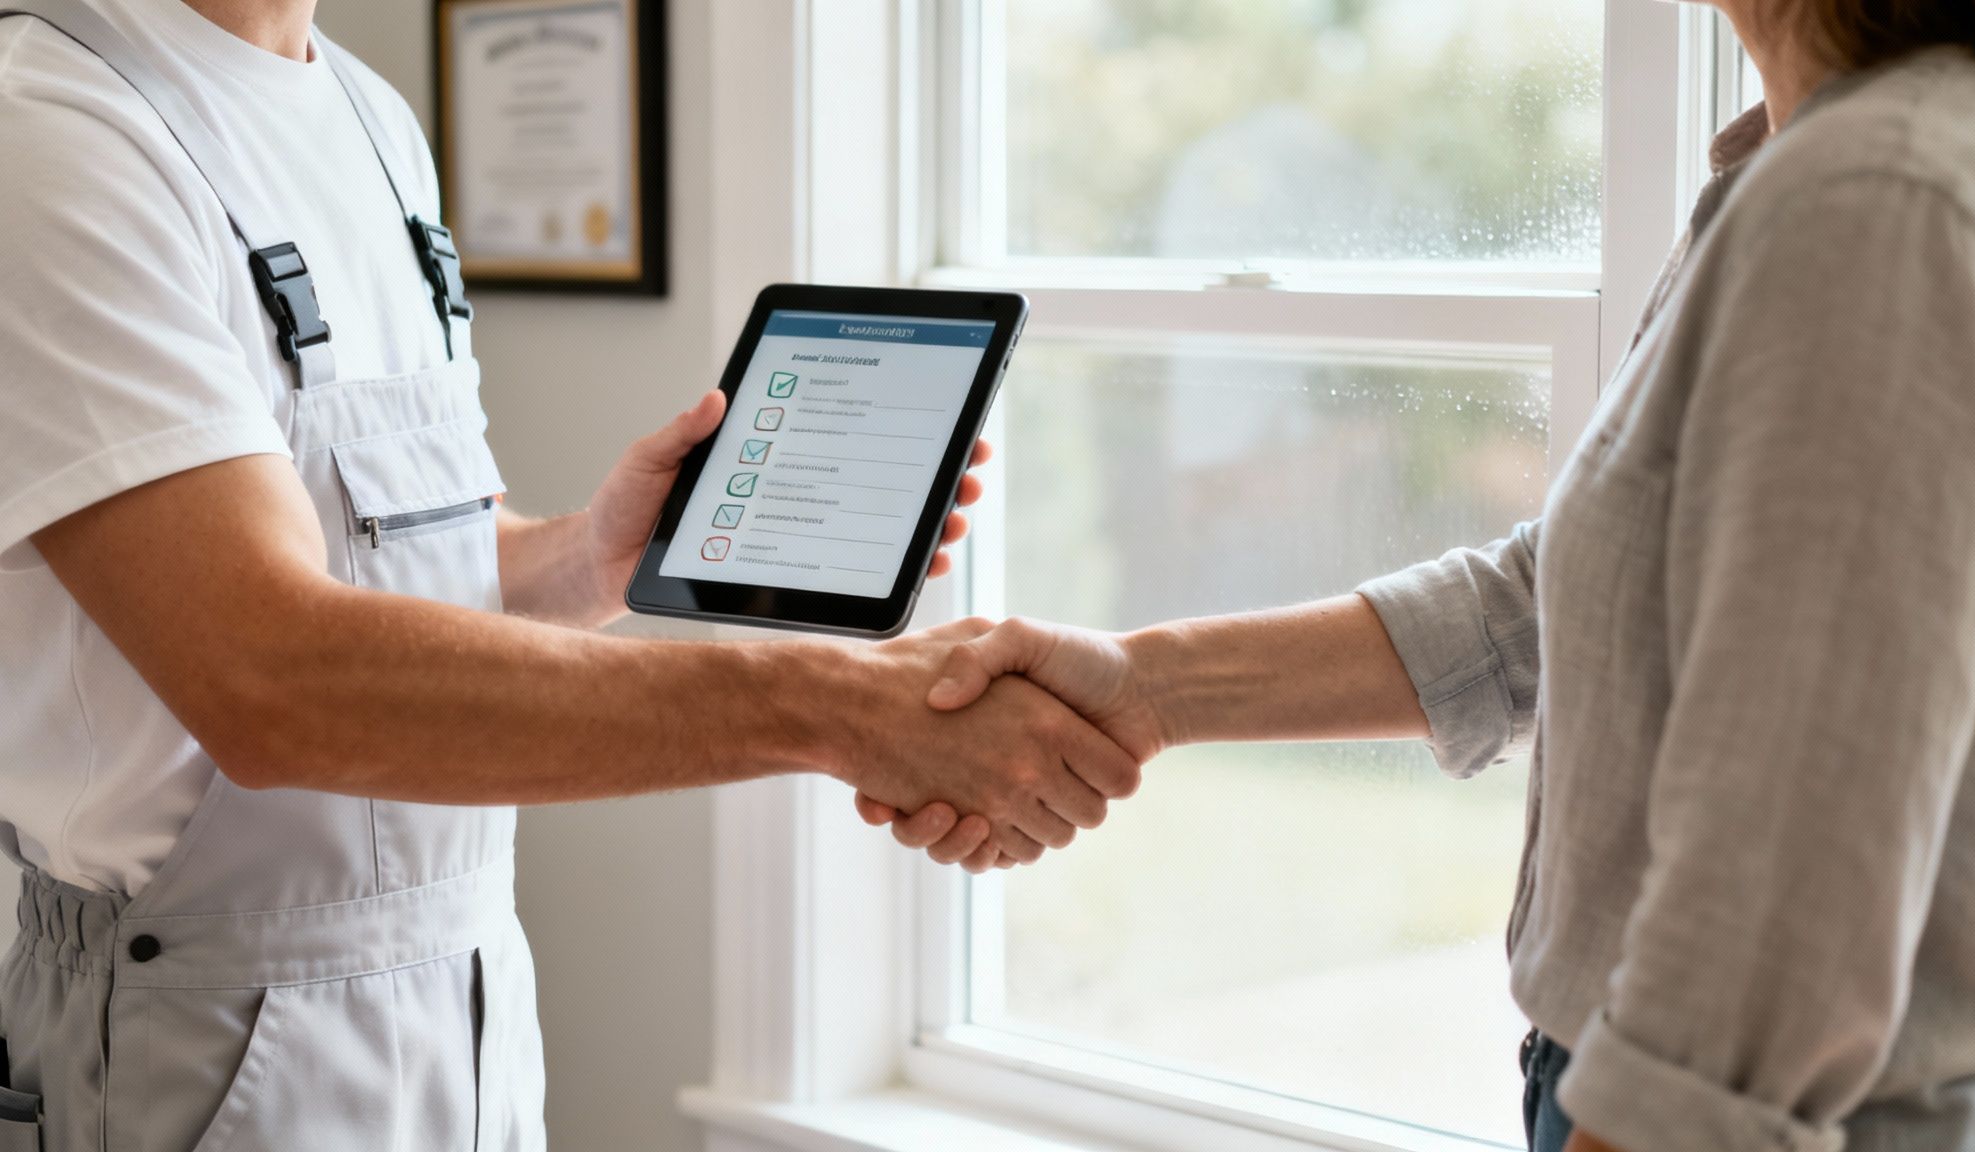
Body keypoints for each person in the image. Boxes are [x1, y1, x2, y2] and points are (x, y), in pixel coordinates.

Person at [866, 1, 1975, 1149]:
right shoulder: (1827, 163)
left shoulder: (1876, 202)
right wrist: (1145, 685)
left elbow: (1775, 919)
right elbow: (1585, 600)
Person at [0, 0, 1138, 1146]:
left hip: (472, 990)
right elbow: (272, 679)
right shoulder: (52, 123)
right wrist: (835, 708)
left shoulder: (369, 117)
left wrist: (592, 553)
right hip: (194, 1032)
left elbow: (397, 573)